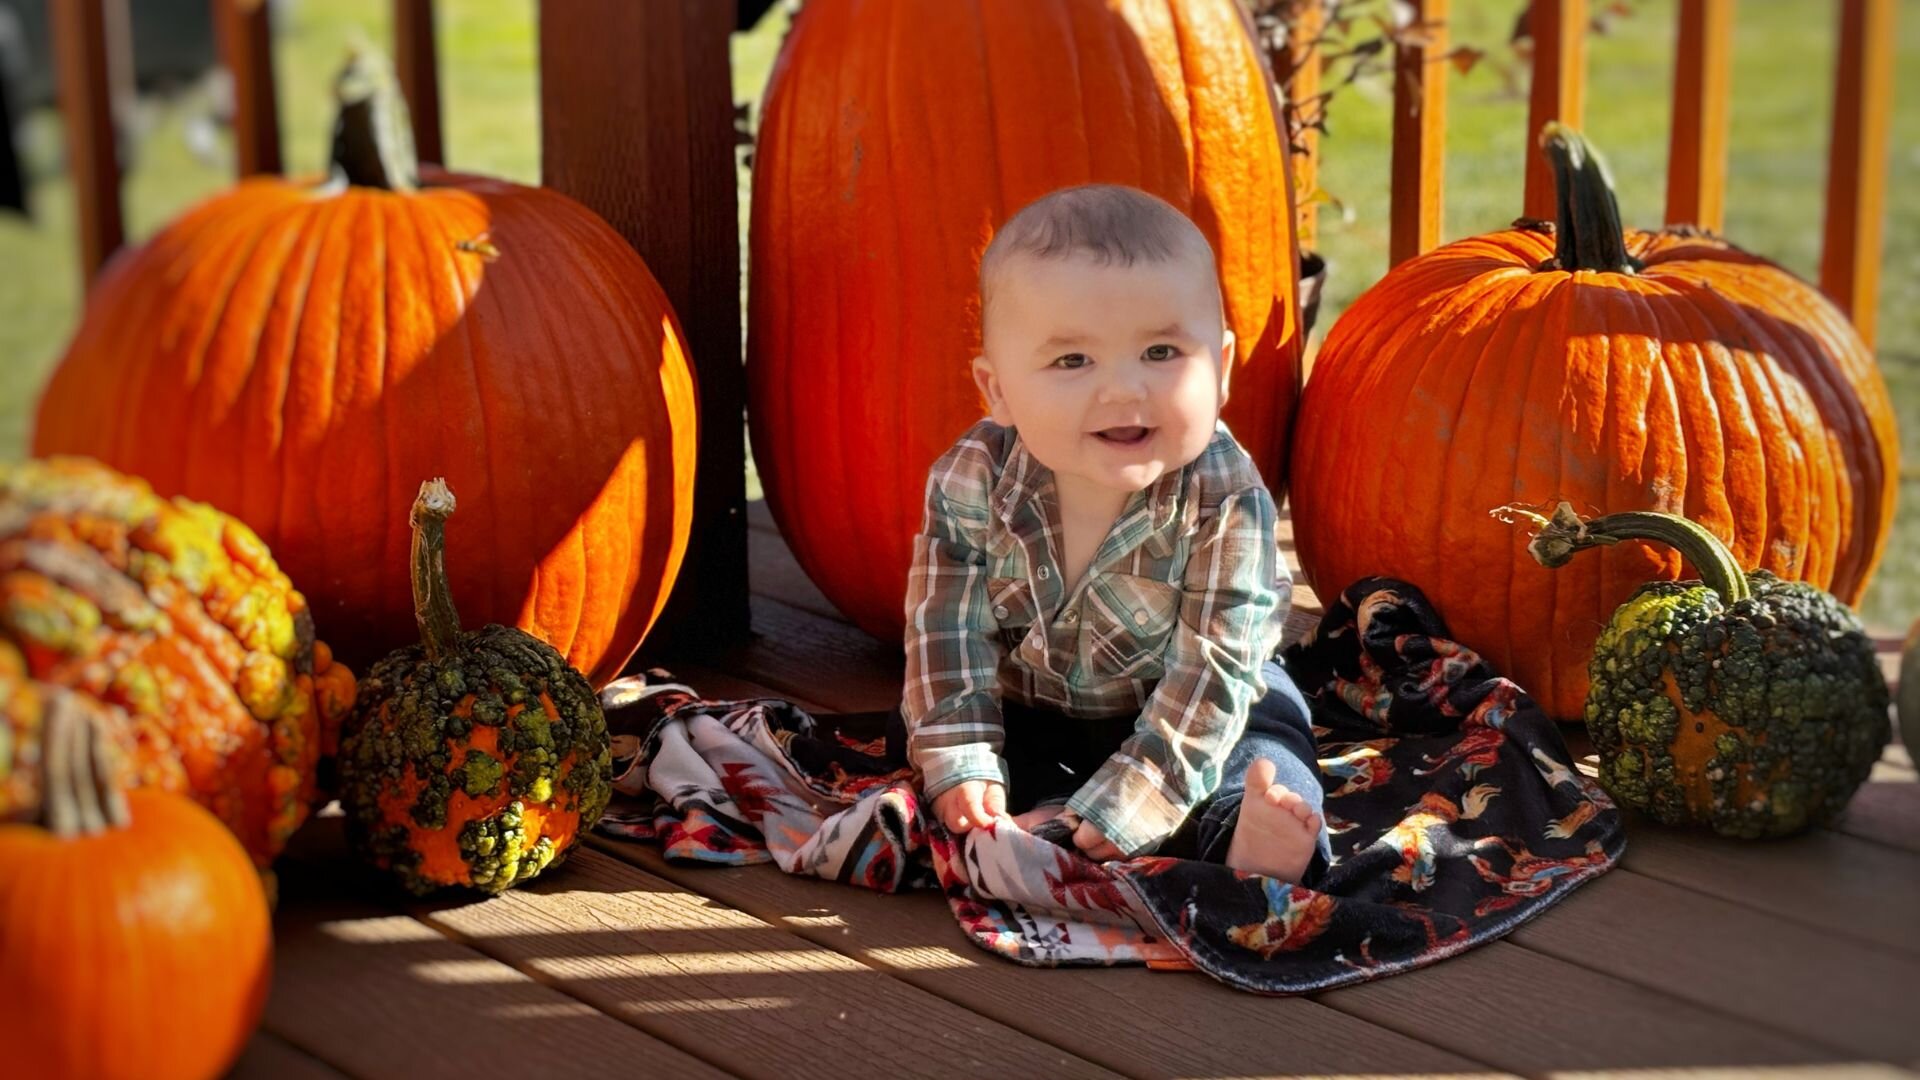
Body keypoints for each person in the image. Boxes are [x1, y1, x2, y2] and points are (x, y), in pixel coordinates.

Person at [896, 183, 1329, 881]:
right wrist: (963, 756)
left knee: (1271, 750)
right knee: (935, 733)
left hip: (1196, 704)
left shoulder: (1227, 498)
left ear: (1220, 368)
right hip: (1034, 702)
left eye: (1161, 352)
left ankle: (1246, 841)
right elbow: (945, 626)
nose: (1124, 389)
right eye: (1073, 361)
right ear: (997, 389)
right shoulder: (970, 478)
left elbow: (1216, 666)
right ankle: (1043, 813)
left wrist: (1145, 791)